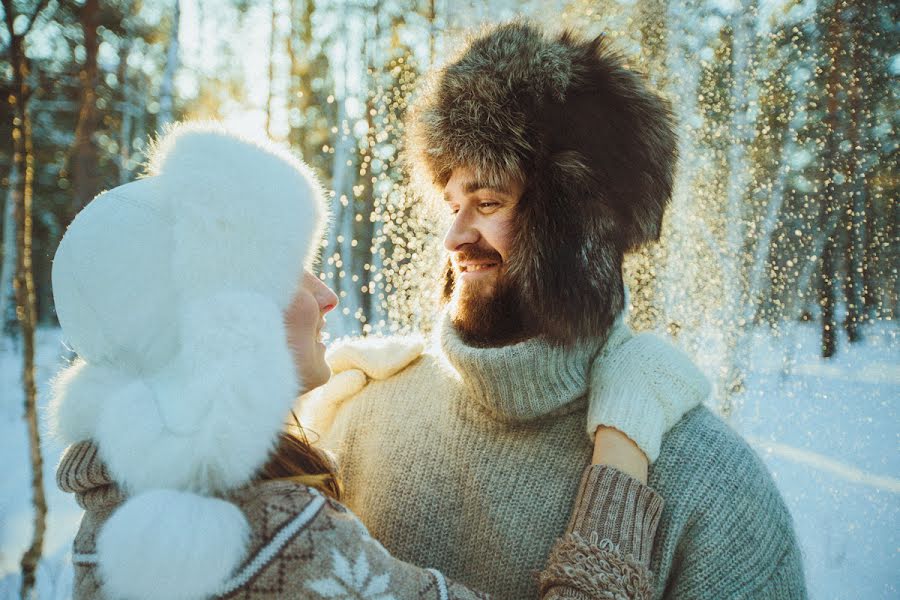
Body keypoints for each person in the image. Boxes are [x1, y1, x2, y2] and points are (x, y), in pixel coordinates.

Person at [52, 123, 673, 599]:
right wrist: (622, 448)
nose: (326, 295)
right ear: (227, 327)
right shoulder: (277, 542)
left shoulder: (102, 525)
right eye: (291, 275)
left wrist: (296, 401)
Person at [303, 22, 807, 599]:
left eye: (487, 202)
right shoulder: (359, 416)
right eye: (451, 203)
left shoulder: (713, 486)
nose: (453, 237)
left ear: (580, 224)